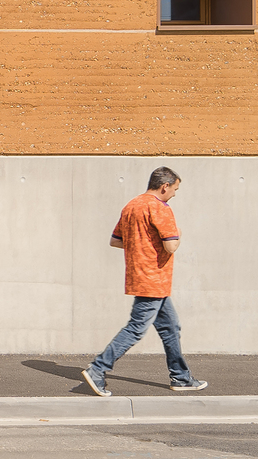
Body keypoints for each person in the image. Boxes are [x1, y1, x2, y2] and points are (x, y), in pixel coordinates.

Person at [80, 166, 208, 396]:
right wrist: (179, 235)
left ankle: (180, 377)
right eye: (175, 189)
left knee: (170, 327)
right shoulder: (160, 208)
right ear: (164, 186)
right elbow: (171, 245)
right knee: (136, 328)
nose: (175, 194)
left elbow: (115, 241)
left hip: (140, 275)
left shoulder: (132, 205)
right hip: (155, 278)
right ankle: (98, 369)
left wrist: (142, 246)